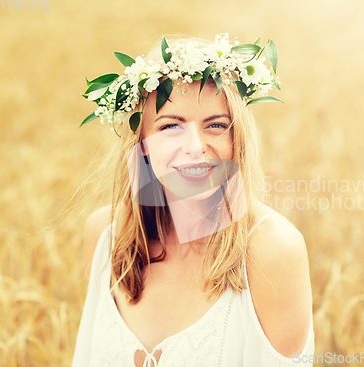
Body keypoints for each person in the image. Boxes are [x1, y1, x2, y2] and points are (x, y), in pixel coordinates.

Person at [72, 33, 314, 367]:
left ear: (236, 139)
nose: (196, 148)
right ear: (141, 145)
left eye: (215, 125)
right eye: (171, 126)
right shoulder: (106, 236)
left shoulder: (271, 250)